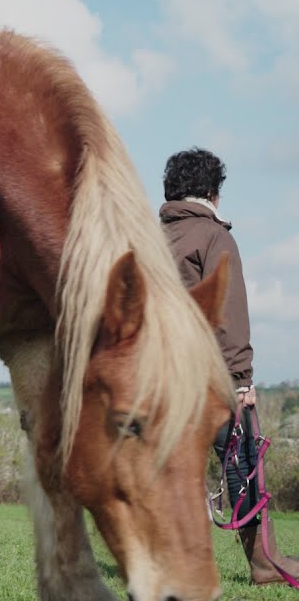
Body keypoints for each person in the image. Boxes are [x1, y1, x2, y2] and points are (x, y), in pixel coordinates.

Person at [159, 147, 299, 585]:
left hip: (158, 378)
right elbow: (229, 314)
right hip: (208, 378)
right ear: (211, 193)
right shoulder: (214, 236)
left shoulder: (148, 236)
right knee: (241, 463)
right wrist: (240, 381)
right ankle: (263, 563)